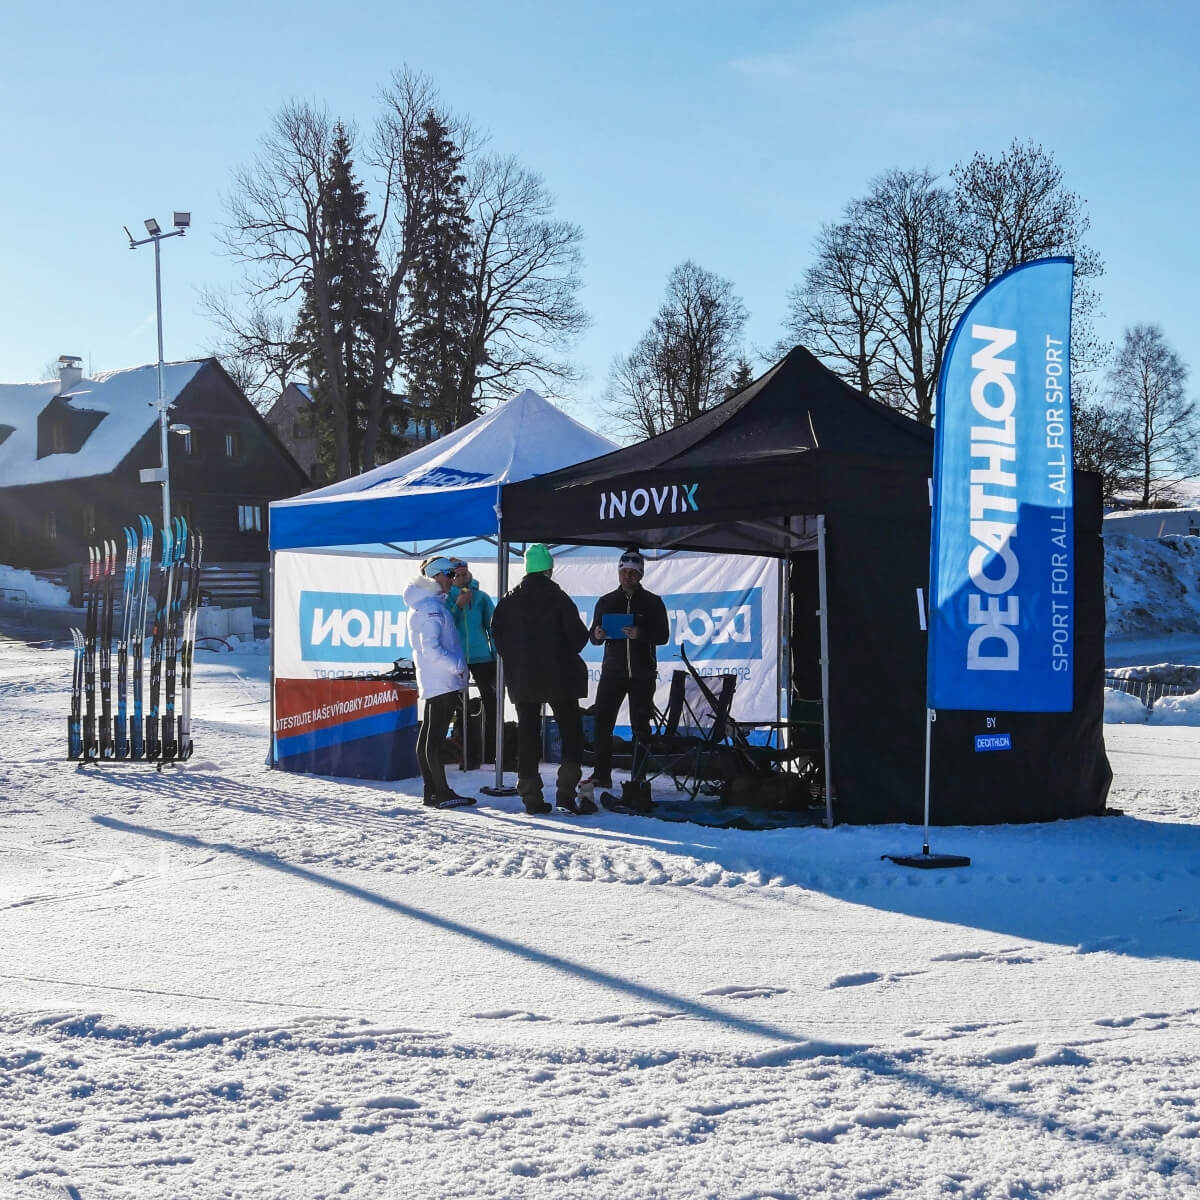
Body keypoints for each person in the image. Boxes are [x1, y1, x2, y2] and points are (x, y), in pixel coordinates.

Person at [491, 543, 591, 815]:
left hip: (523, 677)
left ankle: (531, 796)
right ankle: (566, 794)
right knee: (571, 732)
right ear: (549, 568)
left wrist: (518, 661)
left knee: (527, 734)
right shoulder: (558, 597)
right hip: (561, 675)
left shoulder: (508, 601)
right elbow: (579, 639)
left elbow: (497, 639)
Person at [586, 548, 671, 792]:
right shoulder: (606, 601)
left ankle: (639, 776)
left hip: (642, 674)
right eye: (624, 572)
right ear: (619, 572)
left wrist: (641, 634)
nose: (628, 577)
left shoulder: (653, 602)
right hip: (613, 672)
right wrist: (598, 634)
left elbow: (663, 636)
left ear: (641, 575)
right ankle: (601, 774)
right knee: (602, 722)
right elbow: (593, 636)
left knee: (640, 726)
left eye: (634, 573)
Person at [403, 557, 473, 809]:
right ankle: (441, 793)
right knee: (432, 740)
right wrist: (457, 667)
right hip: (443, 680)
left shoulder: (426, 603)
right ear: (437, 576)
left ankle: (432, 792)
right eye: (450, 575)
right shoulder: (430, 607)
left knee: (427, 739)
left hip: (436, 680)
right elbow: (431, 648)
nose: (454, 580)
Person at [446, 559, 498, 765]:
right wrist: (458, 606)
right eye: (456, 575)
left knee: (491, 703)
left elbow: (493, 628)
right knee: (460, 706)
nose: (460, 578)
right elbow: (445, 624)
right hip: (457, 657)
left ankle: (493, 753)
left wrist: (495, 657)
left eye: (464, 574)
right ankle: (465, 754)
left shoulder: (482, 597)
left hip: (482, 658)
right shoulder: (445, 598)